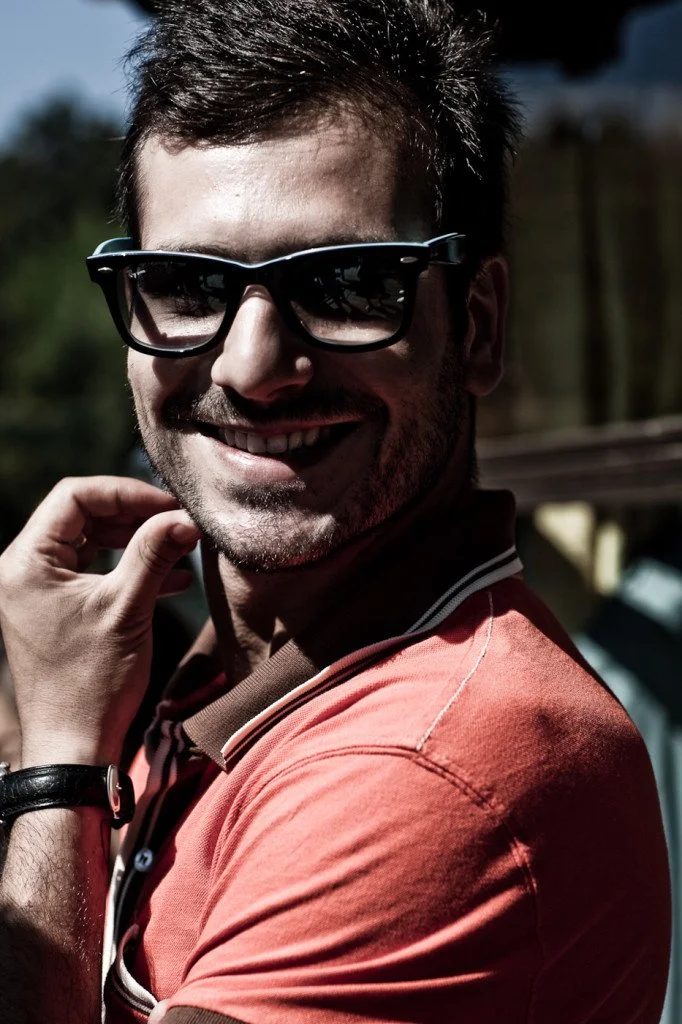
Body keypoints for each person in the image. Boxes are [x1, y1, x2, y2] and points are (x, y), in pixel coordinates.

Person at [0, 2, 671, 1022]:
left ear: (477, 327)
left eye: (348, 284)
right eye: (185, 284)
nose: (251, 366)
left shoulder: (427, 766)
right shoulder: (226, 673)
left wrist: (53, 761)